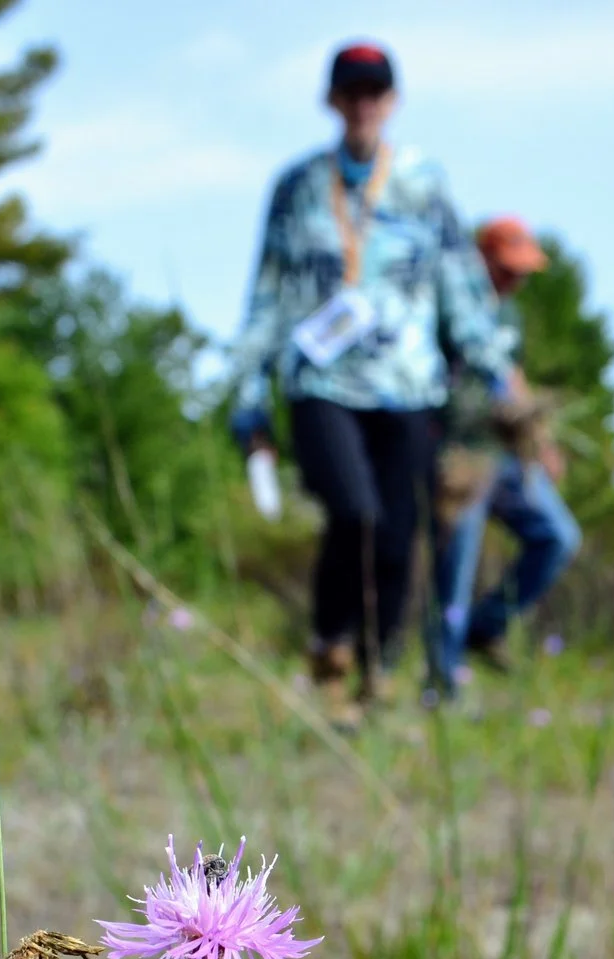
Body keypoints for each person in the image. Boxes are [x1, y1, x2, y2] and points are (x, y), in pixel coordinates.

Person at [228, 41, 515, 722]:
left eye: (375, 92)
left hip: (409, 387)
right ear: (332, 100)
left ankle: (377, 664)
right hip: (321, 381)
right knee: (352, 512)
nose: (363, 104)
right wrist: (248, 392)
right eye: (351, 91)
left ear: (392, 101)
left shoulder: (422, 183)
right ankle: (330, 650)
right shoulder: (297, 187)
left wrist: (500, 376)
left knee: (397, 532)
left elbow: (462, 288)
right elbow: (266, 294)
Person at [428, 216, 582, 686]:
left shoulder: (508, 317)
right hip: (458, 455)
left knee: (556, 537)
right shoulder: (444, 311)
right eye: (506, 270)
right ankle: (444, 681)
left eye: (521, 272)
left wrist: (542, 443)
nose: (514, 281)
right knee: (456, 567)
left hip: (506, 457)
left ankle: (486, 625)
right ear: (480, 261)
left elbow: (509, 376)